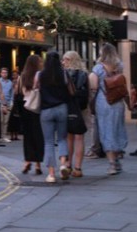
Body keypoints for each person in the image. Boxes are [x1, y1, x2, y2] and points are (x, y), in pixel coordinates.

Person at [88, 43, 129, 176]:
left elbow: (93, 86)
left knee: (106, 131)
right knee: (117, 129)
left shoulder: (98, 68)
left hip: (103, 102)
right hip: (118, 102)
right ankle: (116, 159)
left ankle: (112, 164)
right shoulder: (119, 66)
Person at [36, 50, 71, 183]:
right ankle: (63, 164)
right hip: (62, 108)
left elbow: (35, 88)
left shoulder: (41, 74)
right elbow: (69, 90)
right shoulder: (63, 73)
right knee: (62, 139)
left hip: (46, 110)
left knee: (49, 142)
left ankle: (51, 174)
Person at [62, 51, 89, 178]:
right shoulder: (84, 74)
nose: (63, 62)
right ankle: (78, 168)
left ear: (71, 60)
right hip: (81, 110)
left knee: (69, 138)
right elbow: (88, 93)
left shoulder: (64, 75)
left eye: (65, 59)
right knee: (79, 138)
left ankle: (68, 165)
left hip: (67, 108)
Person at [17, 54, 43, 175]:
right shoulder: (40, 76)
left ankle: (27, 161)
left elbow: (19, 93)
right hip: (38, 109)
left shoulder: (22, 77)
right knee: (38, 136)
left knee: (28, 137)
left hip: (26, 108)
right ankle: (38, 164)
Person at [0, 67, 13, 143]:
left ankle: (4, 136)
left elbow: (12, 94)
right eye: (3, 73)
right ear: (0, 73)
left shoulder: (10, 82)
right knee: (0, 120)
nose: (4, 74)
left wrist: (11, 102)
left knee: (6, 121)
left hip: (8, 103)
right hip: (0, 103)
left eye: (5, 73)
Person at [7, 69, 22, 141]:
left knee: (17, 119)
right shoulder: (10, 82)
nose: (14, 76)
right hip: (12, 100)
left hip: (17, 100)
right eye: (13, 75)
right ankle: (12, 135)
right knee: (12, 119)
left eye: (15, 74)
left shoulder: (20, 81)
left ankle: (16, 135)